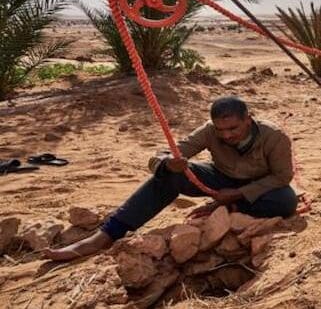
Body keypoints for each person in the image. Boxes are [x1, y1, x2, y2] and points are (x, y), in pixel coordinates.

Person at [45, 96, 298, 261]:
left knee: (286, 201)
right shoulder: (209, 131)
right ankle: (107, 234)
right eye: (221, 130)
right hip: (220, 179)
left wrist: (238, 195)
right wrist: (168, 162)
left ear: (248, 120)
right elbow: (161, 156)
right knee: (169, 176)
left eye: (233, 128)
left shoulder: (274, 136)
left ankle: (230, 206)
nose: (227, 135)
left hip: (258, 188)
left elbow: (283, 176)